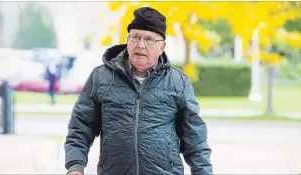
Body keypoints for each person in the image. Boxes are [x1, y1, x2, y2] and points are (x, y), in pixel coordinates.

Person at [64, 6, 212, 175]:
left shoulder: (178, 82)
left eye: (149, 39)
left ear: (162, 46)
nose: (140, 45)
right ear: (128, 40)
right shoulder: (101, 77)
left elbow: (195, 139)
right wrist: (75, 167)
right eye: (135, 37)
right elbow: (80, 127)